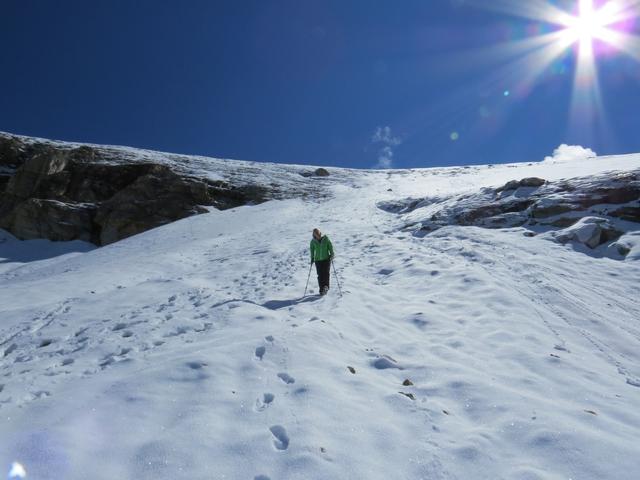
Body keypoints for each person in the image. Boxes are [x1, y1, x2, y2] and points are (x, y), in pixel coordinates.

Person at [310, 228, 334, 295]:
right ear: (314, 235)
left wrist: (332, 254)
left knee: (326, 273)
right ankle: (321, 289)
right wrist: (312, 258)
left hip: (326, 259)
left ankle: (326, 287)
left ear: (320, 233)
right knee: (320, 275)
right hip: (318, 260)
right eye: (315, 234)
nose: (317, 235)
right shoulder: (313, 241)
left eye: (318, 233)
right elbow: (312, 250)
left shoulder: (325, 239)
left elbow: (330, 246)